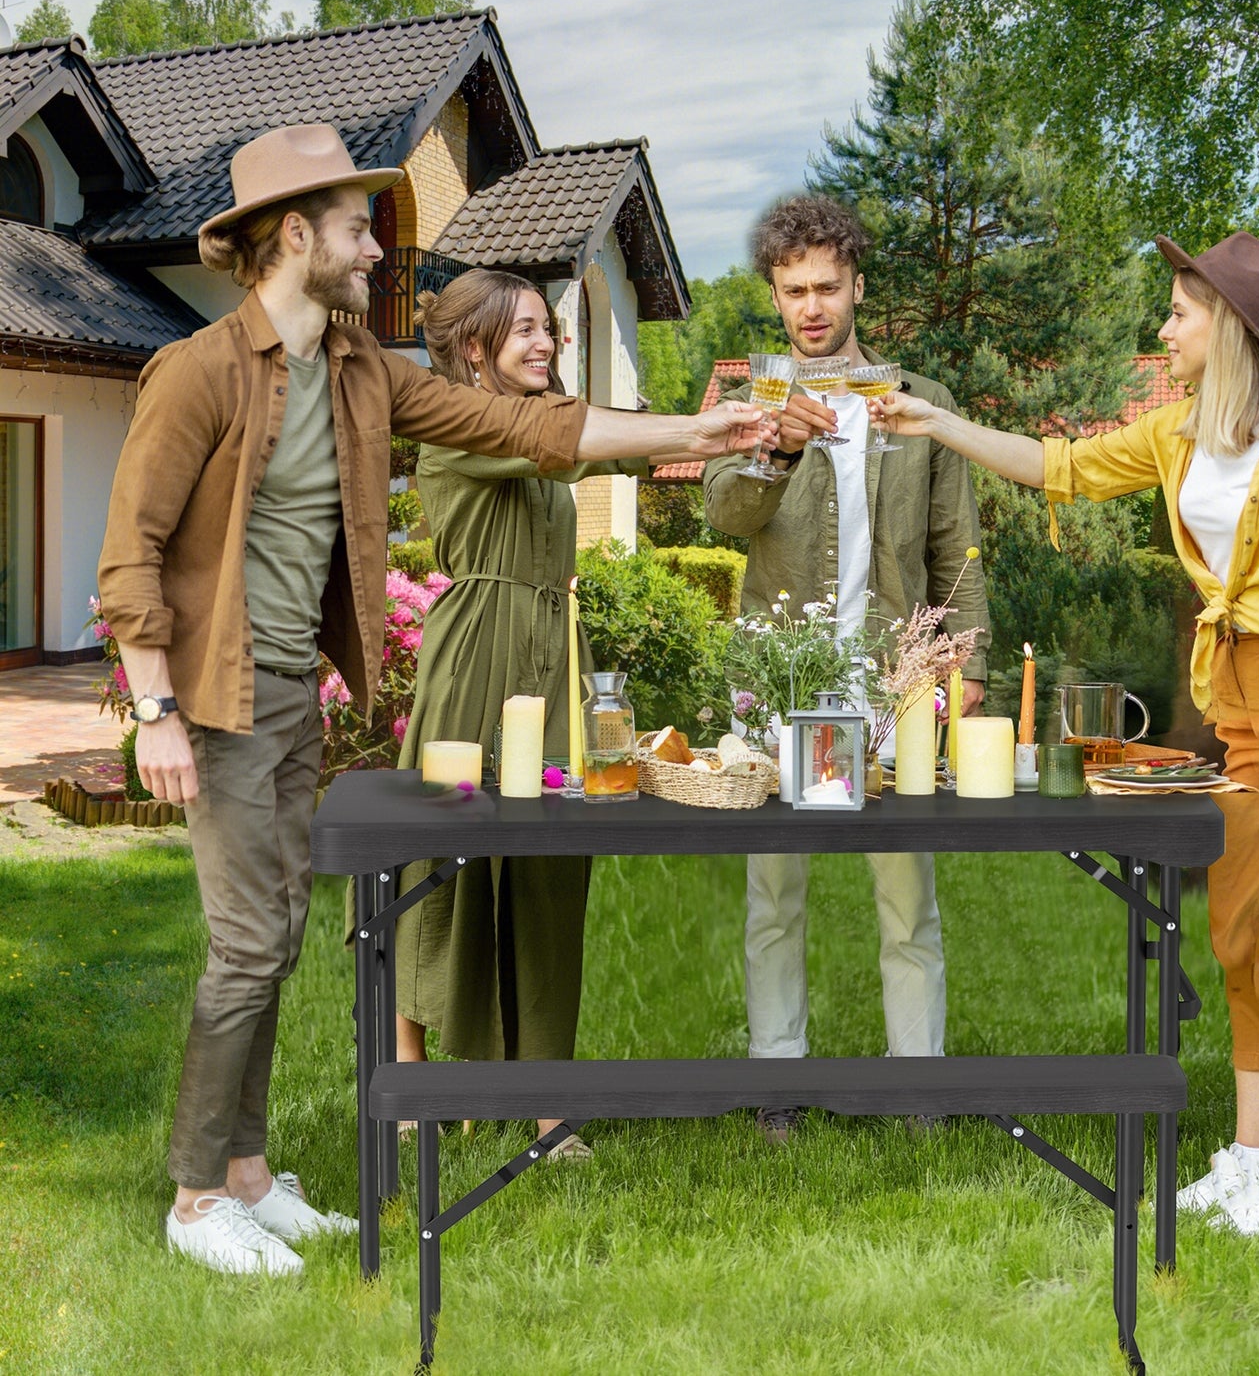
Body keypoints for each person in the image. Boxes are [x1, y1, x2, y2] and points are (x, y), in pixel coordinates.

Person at [96, 123, 769, 1277]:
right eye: (360, 229)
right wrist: (154, 708)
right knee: (248, 942)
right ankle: (200, 1194)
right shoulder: (198, 371)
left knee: (280, 932)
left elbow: (525, 425)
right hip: (213, 692)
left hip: (290, 692)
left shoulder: (357, 368)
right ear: (294, 236)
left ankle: (251, 1172)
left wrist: (695, 430)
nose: (377, 250)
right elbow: (130, 551)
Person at [870, 230, 1259, 1233]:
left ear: (1225, 327)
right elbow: (1056, 465)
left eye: (1178, 313)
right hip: (1237, 704)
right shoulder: (1179, 431)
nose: (1163, 327)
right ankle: (1248, 1152)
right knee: (1239, 937)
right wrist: (938, 422)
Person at [703, 195, 991, 1143]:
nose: (812, 306)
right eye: (793, 291)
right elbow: (725, 521)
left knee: (905, 886)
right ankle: (778, 1083)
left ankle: (918, 1091)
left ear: (858, 285)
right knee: (773, 888)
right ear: (774, 297)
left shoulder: (920, 406)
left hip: (890, 675)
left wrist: (968, 661)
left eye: (828, 285)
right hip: (776, 674)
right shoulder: (752, 400)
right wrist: (771, 452)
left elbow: (955, 545)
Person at [388, 269, 657, 1160]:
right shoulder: (449, 428)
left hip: (552, 648)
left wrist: (729, 434)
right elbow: (563, 446)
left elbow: (600, 448)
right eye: (525, 331)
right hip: (475, 653)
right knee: (445, 864)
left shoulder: (547, 423)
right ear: (474, 348)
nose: (545, 344)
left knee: (550, 871)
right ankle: (415, 1079)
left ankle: (545, 1104)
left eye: (549, 329)